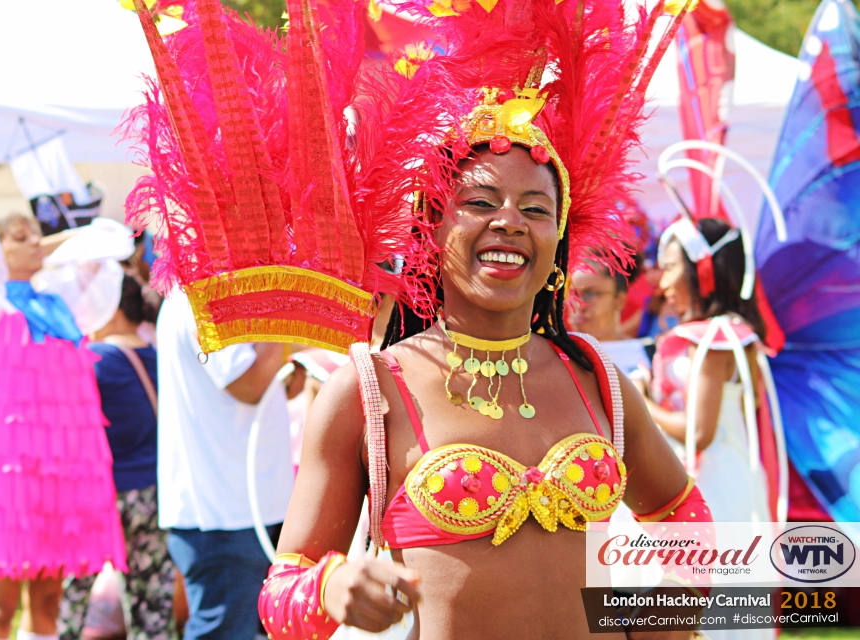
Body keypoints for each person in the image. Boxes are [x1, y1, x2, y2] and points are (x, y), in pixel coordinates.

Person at [123, 0, 708, 637]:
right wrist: (335, 584)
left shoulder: (597, 380)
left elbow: (688, 523)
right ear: (430, 228)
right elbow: (281, 597)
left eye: (536, 209)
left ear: (560, 238)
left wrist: (659, 616)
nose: (509, 220)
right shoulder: (372, 389)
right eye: (480, 201)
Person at [0, 213, 133, 640]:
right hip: (7, 477)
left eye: (38, 234)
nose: (37, 241)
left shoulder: (61, 301)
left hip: (62, 470)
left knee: (49, 600)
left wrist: (57, 244)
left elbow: (106, 246)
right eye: (22, 237)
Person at [156, 291, 303, 640]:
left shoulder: (228, 287)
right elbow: (249, 383)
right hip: (223, 516)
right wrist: (287, 304)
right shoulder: (201, 292)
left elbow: (278, 386)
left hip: (252, 508)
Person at [59, 274, 174, 640]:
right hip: (152, 494)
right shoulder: (158, 355)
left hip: (101, 498)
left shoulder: (97, 359)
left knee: (73, 598)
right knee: (151, 601)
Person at [637, 217, 773, 526]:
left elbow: (699, 433)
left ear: (702, 269)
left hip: (715, 487)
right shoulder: (725, 333)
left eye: (671, 267)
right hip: (712, 476)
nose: (663, 282)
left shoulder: (716, 339)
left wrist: (639, 401)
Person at [568, 261, 652, 376]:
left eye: (591, 294)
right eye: (573, 295)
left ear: (619, 300)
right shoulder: (558, 357)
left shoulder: (648, 353)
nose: (579, 305)